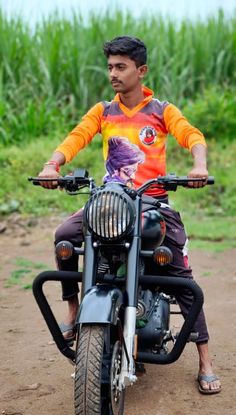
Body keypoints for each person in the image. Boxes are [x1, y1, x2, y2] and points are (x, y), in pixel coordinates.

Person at [38, 36, 221, 394]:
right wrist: (52, 166)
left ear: (141, 70)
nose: (113, 74)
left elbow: (192, 135)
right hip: (110, 201)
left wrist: (199, 166)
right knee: (64, 237)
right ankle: (74, 311)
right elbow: (77, 137)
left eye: (120, 67)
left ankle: (205, 359)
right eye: (109, 67)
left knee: (180, 273)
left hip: (151, 203)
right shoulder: (103, 110)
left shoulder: (162, 110)